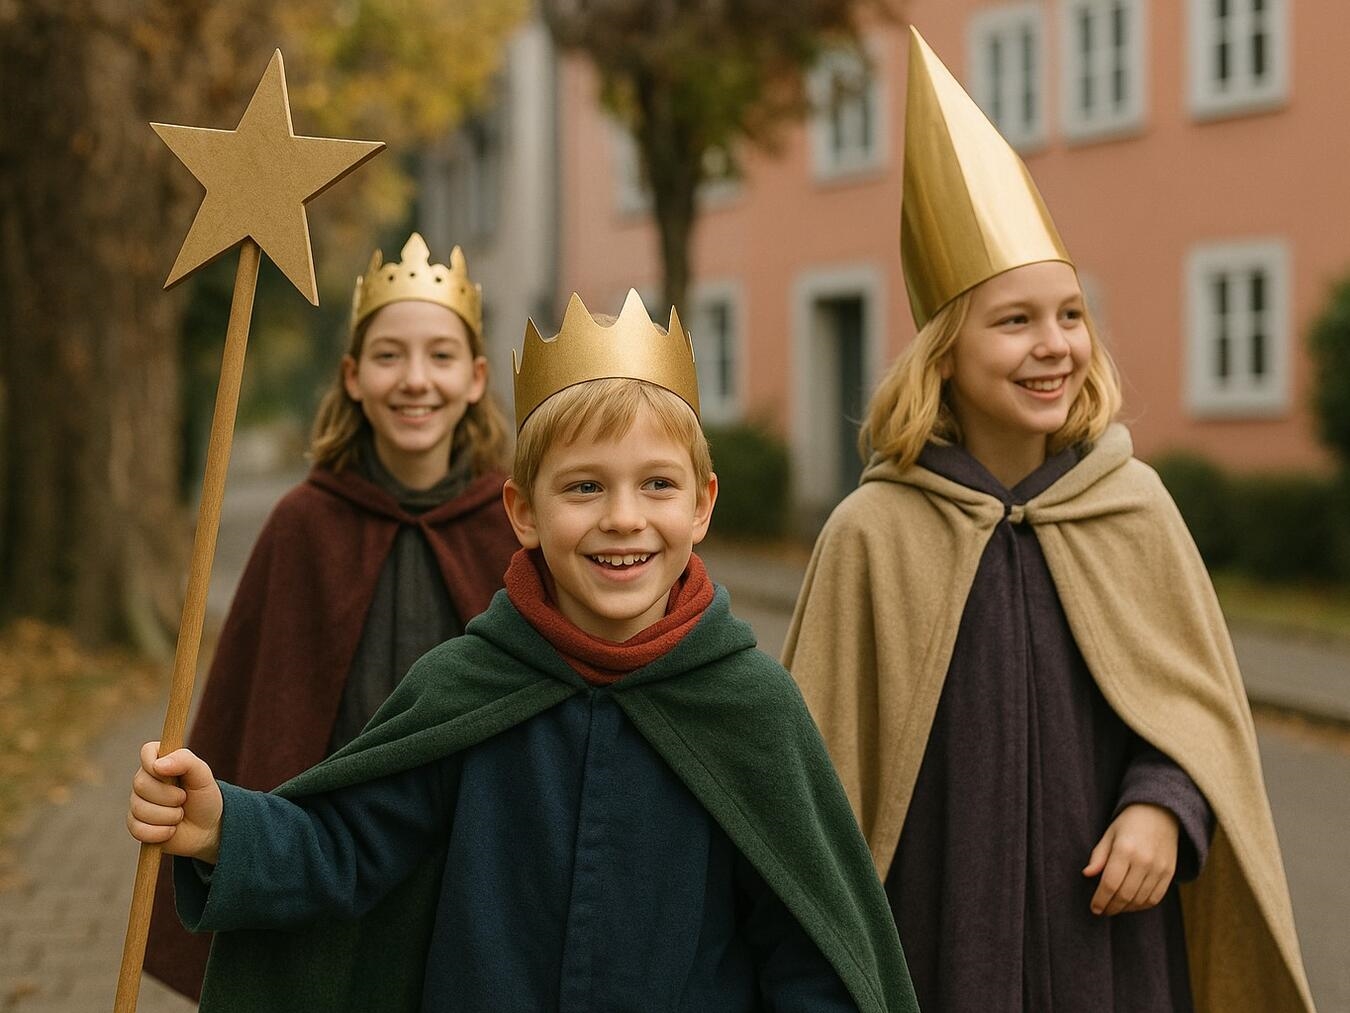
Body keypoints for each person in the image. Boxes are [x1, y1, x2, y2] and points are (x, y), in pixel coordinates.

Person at [127, 289, 918, 1012]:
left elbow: (809, 948)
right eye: (583, 487)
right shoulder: (462, 683)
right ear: (522, 510)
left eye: (657, 485)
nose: (622, 518)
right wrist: (226, 827)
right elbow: (350, 847)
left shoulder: (754, 706)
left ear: (703, 504)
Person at [782, 28, 1314, 1013]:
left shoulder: (1133, 506)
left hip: (1109, 952)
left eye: (1070, 314)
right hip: (934, 944)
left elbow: (1194, 715)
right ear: (944, 351)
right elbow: (815, 783)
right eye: (1015, 320)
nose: (1054, 346)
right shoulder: (872, 534)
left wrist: (1165, 806)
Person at [144, 233, 520, 1000]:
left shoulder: (517, 528)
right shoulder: (303, 524)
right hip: (328, 865)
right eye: (388, 356)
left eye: (441, 356)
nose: (416, 380)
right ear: (352, 375)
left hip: (478, 868)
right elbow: (254, 712)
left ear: (477, 378)